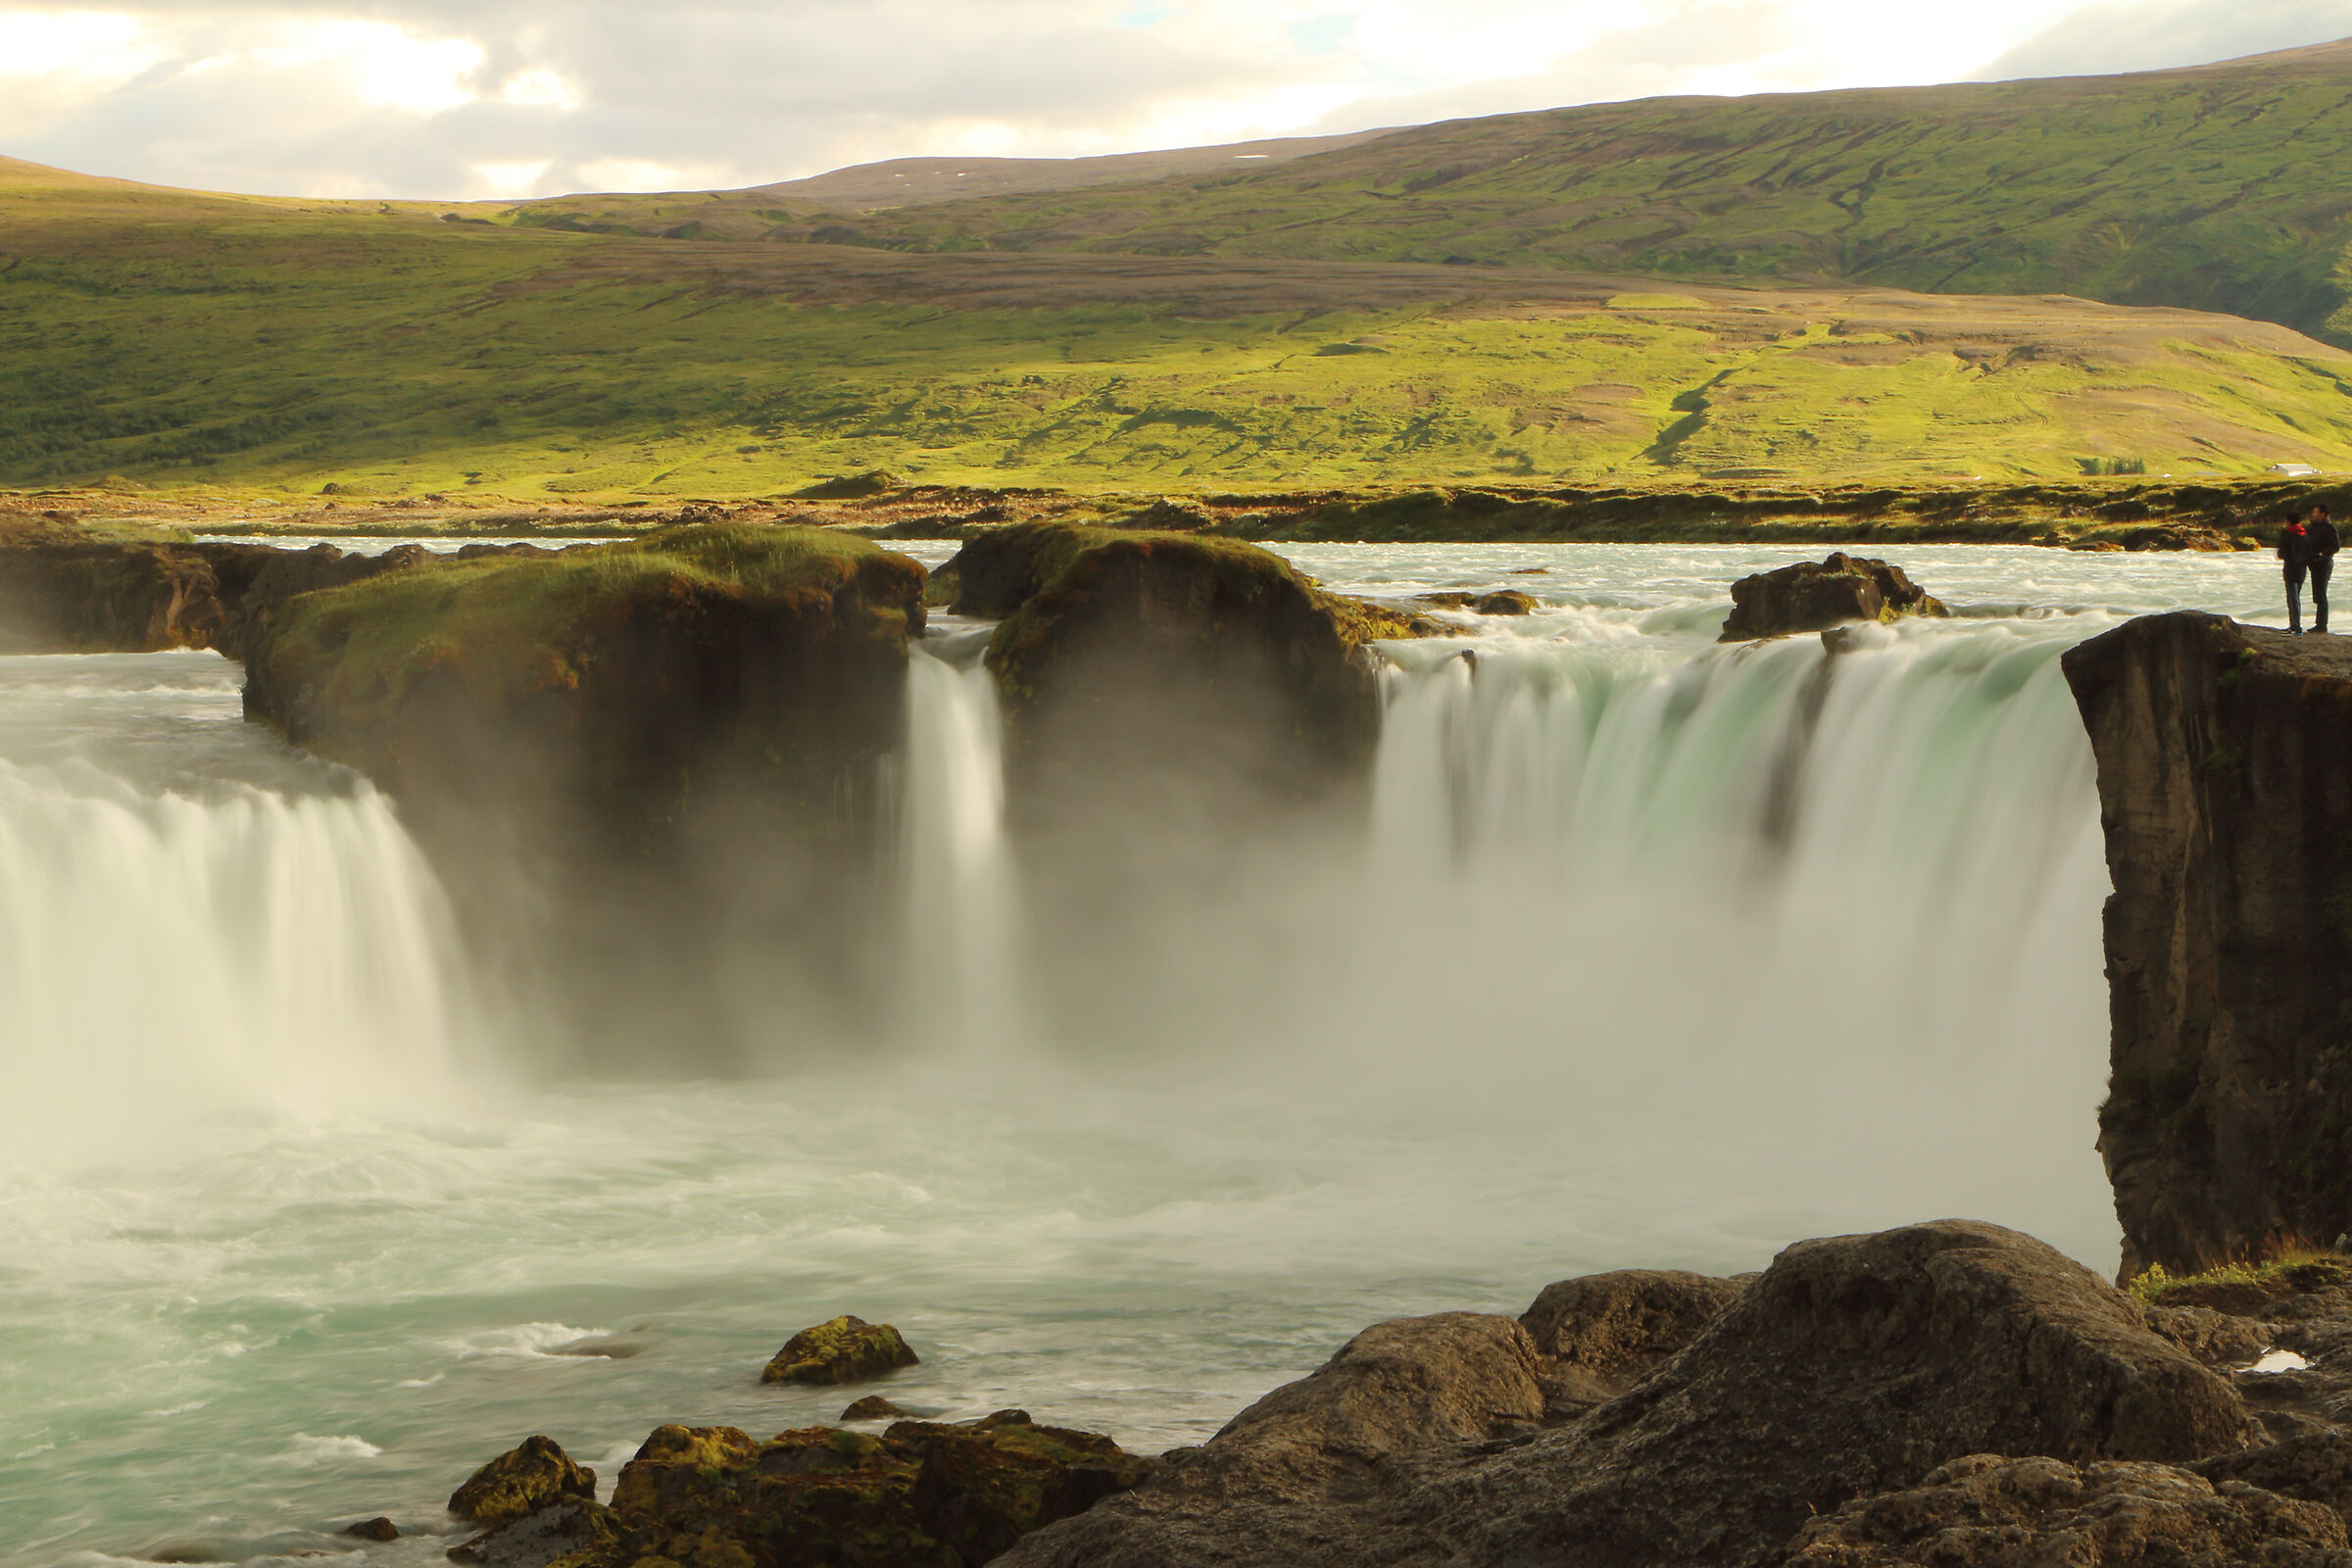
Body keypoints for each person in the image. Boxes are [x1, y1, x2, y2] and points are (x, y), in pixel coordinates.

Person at [2280, 512, 2315, 633]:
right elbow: (2310, 551)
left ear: (2289, 522)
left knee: (2292, 597)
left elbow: (2281, 554)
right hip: (2302, 569)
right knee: (2296, 596)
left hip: (2290, 568)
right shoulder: (2305, 535)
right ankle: (2295, 625)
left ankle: (2295, 626)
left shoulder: (2286, 534)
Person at [2311, 504, 2339, 634]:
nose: (2313, 514)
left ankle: (2322, 625)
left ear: (2323, 514)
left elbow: (2335, 546)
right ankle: (2319, 624)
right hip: (2314, 564)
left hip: (2324, 564)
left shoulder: (2329, 527)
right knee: (2317, 594)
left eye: (2315, 512)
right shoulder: (2313, 527)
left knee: (2321, 594)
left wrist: (2323, 554)